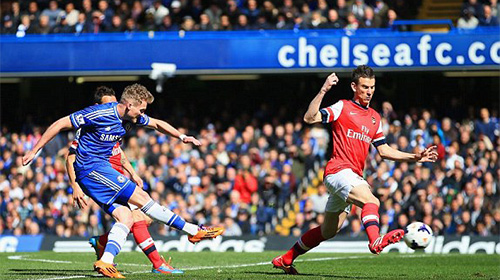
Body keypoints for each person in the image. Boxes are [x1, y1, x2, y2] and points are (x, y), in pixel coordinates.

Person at [23, 84, 224, 278]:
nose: (143, 113)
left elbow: (156, 123)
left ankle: (106, 261)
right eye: (142, 109)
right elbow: (60, 124)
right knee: (142, 199)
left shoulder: (131, 118)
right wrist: (34, 150)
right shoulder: (98, 114)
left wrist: (182, 136)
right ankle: (192, 230)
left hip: (102, 171)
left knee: (126, 218)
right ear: (130, 105)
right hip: (91, 169)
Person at [272, 65, 438, 274]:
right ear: (354, 86)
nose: (369, 91)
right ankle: (375, 240)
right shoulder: (342, 107)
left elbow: (384, 151)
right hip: (338, 170)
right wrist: (323, 90)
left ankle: (286, 259)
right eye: (365, 87)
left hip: (351, 176)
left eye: (372, 87)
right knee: (372, 201)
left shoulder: (375, 118)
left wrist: (415, 157)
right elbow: (309, 118)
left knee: (328, 231)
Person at [65, 86, 182, 274]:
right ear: (98, 106)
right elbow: (71, 157)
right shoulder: (89, 126)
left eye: (114, 102)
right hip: (101, 178)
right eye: (108, 104)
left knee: (139, 218)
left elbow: (118, 152)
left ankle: (103, 243)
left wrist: (133, 173)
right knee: (139, 218)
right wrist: (75, 186)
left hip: (117, 175)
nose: (113, 106)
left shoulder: (119, 123)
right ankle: (157, 263)